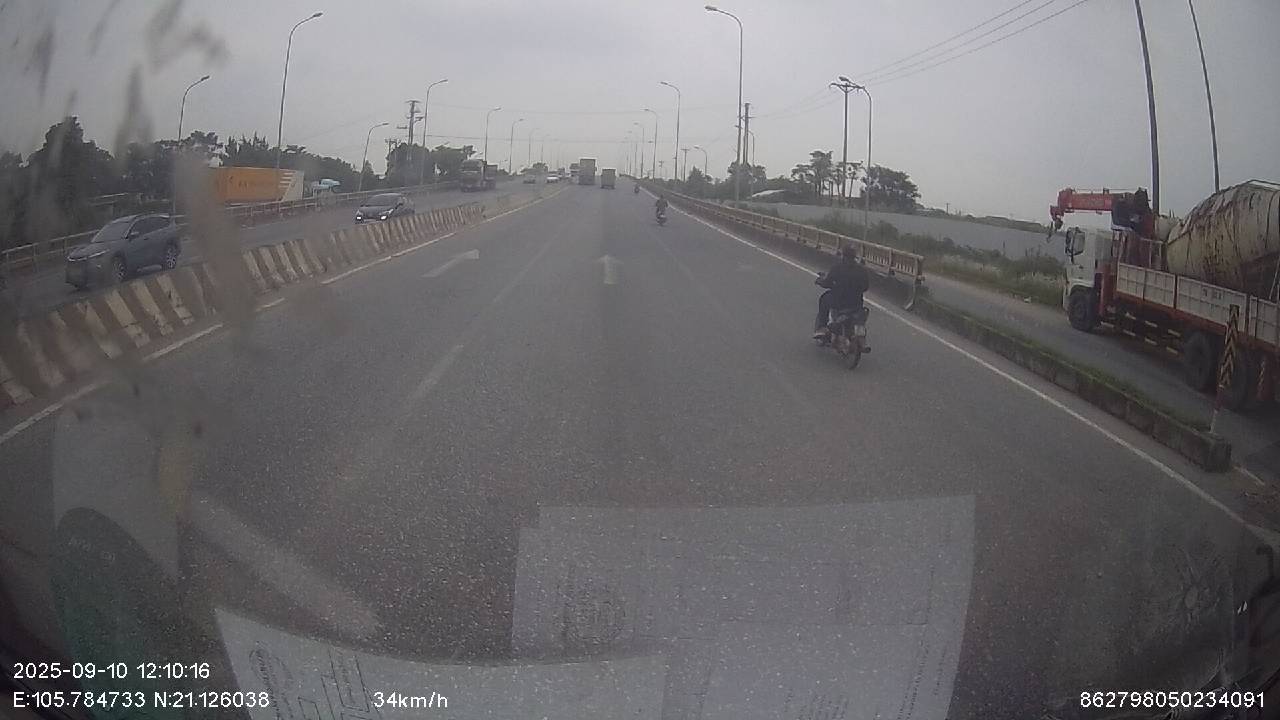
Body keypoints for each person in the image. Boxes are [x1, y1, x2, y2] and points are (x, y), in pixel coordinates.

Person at [813, 246, 870, 339]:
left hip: (838, 303)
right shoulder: (862, 270)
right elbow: (865, 287)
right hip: (856, 303)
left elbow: (827, 283)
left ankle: (821, 327)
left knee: (824, 299)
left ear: (843, 256)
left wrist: (820, 281)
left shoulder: (837, 268)